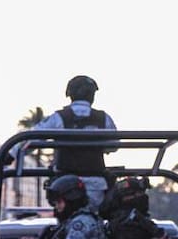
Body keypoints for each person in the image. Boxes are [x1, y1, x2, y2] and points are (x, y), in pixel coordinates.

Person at [31, 75, 117, 208]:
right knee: (94, 219)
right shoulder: (104, 118)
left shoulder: (58, 117)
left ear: (70, 94)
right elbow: (113, 146)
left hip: (63, 184)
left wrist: (10, 155)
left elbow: (31, 137)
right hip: (96, 184)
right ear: (92, 95)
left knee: (65, 220)